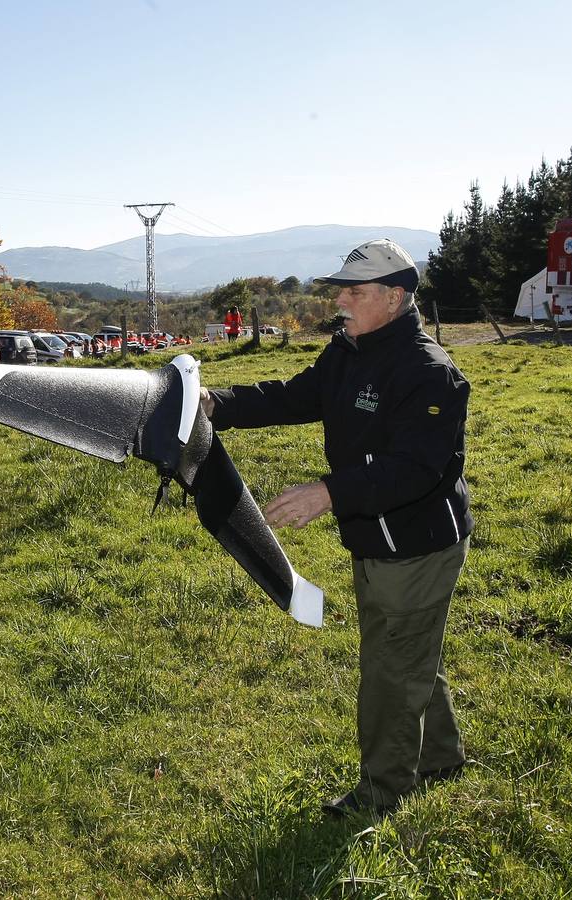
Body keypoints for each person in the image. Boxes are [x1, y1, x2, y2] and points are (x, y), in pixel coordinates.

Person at [201, 238, 472, 817]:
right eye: (340, 290)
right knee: (407, 648)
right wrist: (217, 403)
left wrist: (328, 492)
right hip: (376, 538)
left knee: (390, 669)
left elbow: (414, 471)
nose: (341, 302)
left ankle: (384, 791)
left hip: (417, 543)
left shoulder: (430, 374)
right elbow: (296, 396)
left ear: (395, 298)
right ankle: (441, 755)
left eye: (355, 292)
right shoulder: (348, 352)